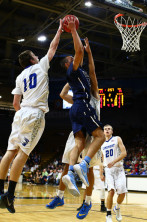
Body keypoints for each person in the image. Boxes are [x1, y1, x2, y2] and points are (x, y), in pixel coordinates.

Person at [0, 19, 64, 213]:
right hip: (34, 113)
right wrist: (59, 30)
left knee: (10, 152)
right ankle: (10, 195)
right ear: (33, 60)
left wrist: (23, 115)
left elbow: (15, 103)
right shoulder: (41, 66)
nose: (38, 55)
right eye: (35, 55)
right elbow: (53, 46)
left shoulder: (19, 77)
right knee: (23, 154)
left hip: (20, 113)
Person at [47, 37, 105, 219]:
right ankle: (59, 196)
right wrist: (72, 78)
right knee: (67, 166)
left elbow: (93, 73)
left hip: (90, 132)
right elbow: (62, 94)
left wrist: (89, 55)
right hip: (81, 125)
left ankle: (87, 203)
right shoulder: (80, 96)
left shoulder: (94, 95)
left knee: (88, 170)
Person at [60, 17, 105, 198]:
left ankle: (71, 173)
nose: (74, 57)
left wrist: (90, 53)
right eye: (70, 59)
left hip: (78, 110)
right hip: (84, 109)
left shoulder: (81, 75)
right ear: (67, 64)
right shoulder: (74, 73)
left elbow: (92, 71)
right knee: (100, 136)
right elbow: (77, 51)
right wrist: (72, 30)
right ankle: (82, 165)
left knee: (78, 143)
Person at [101, 124, 127, 222]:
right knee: (111, 191)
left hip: (119, 168)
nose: (107, 130)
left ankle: (117, 208)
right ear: (103, 132)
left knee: (122, 193)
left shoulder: (117, 139)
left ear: (112, 131)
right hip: (108, 170)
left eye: (109, 129)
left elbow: (124, 153)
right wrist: (101, 172)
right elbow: (102, 160)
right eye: (105, 129)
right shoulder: (101, 144)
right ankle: (108, 214)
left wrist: (114, 161)